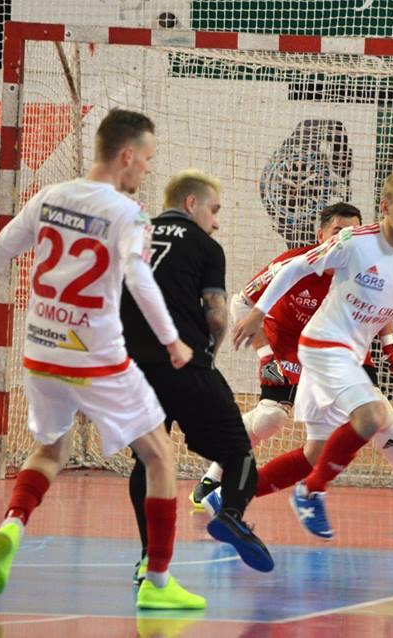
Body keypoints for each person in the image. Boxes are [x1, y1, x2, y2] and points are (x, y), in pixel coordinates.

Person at [0, 109, 205, 609]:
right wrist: (172, 341)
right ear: (127, 156)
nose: (148, 169)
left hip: (41, 352)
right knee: (160, 456)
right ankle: (158, 583)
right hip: (96, 357)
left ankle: (13, 525)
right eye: (147, 159)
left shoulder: (49, 196)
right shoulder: (128, 214)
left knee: (49, 451)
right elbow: (139, 279)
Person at [232, 170, 393, 540]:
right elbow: (295, 267)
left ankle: (229, 500)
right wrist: (259, 312)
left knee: (315, 453)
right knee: (373, 415)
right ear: (385, 207)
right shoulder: (354, 241)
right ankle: (310, 492)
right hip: (323, 345)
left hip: (351, 353)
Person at [190, 203, 393, 516]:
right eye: (338, 231)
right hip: (289, 347)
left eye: (353, 232)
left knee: (378, 412)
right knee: (271, 418)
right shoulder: (294, 263)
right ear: (320, 235)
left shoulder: (368, 267)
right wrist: (266, 355)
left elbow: (384, 306)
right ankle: (214, 477)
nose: (345, 239)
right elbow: (241, 304)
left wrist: (388, 345)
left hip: (342, 348)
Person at [120, 169, 273, 578]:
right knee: (238, 454)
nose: (216, 222)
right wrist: (209, 356)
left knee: (148, 461)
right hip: (187, 365)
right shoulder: (206, 246)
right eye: (214, 210)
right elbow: (217, 315)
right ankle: (232, 515)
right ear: (191, 204)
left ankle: (147, 561)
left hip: (134, 371)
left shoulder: (131, 234)